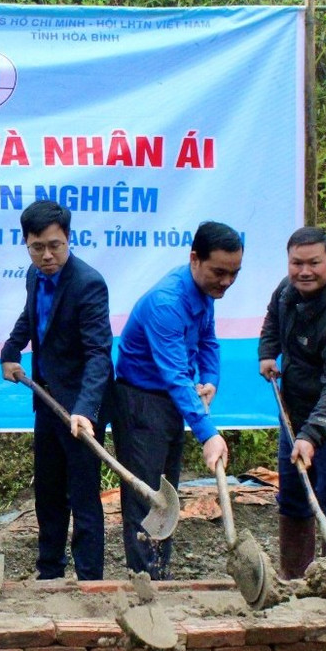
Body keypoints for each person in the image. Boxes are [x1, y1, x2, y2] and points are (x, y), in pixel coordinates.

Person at [114, 221, 243, 580]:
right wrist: (207, 433)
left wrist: (209, 380)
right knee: (148, 497)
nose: (226, 282)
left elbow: (208, 342)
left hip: (169, 399)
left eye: (234, 273)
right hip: (141, 402)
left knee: (166, 491)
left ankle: (159, 572)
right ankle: (145, 580)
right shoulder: (167, 303)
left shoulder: (204, 291)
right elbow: (173, 374)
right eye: (219, 272)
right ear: (194, 259)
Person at [0, 200, 113, 581]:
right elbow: (33, 317)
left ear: (68, 240)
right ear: (26, 243)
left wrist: (85, 409)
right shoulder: (35, 277)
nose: (47, 256)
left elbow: (99, 354)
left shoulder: (88, 283)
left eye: (55, 246)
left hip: (81, 409)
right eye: (37, 247)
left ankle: (89, 579)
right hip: (46, 400)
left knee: (82, 496)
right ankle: (49, 572)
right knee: (48, 492)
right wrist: (10, 350)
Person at [258, 226, 326, 578]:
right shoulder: (287, 291)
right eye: (297, 263)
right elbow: (272, 321)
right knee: (292, 500)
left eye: (314, 263)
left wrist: (312, 435)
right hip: (295, 416)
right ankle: (294, 581)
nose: (304, 271)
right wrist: (267, 354)